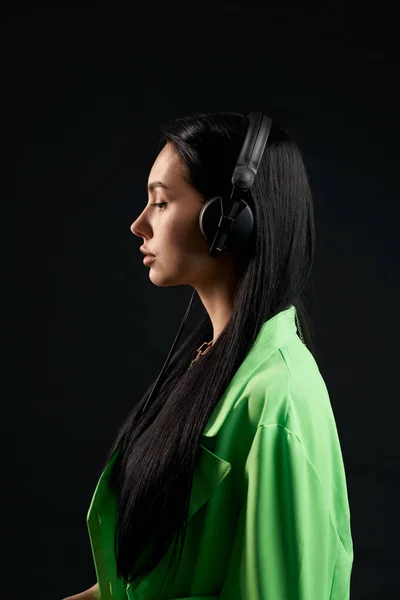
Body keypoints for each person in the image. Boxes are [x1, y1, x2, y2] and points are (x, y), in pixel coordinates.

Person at [68, 112, 354, 599]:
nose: (139, 225)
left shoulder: (278, 399)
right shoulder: (210, 360)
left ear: (227, 220)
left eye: (161, 202)